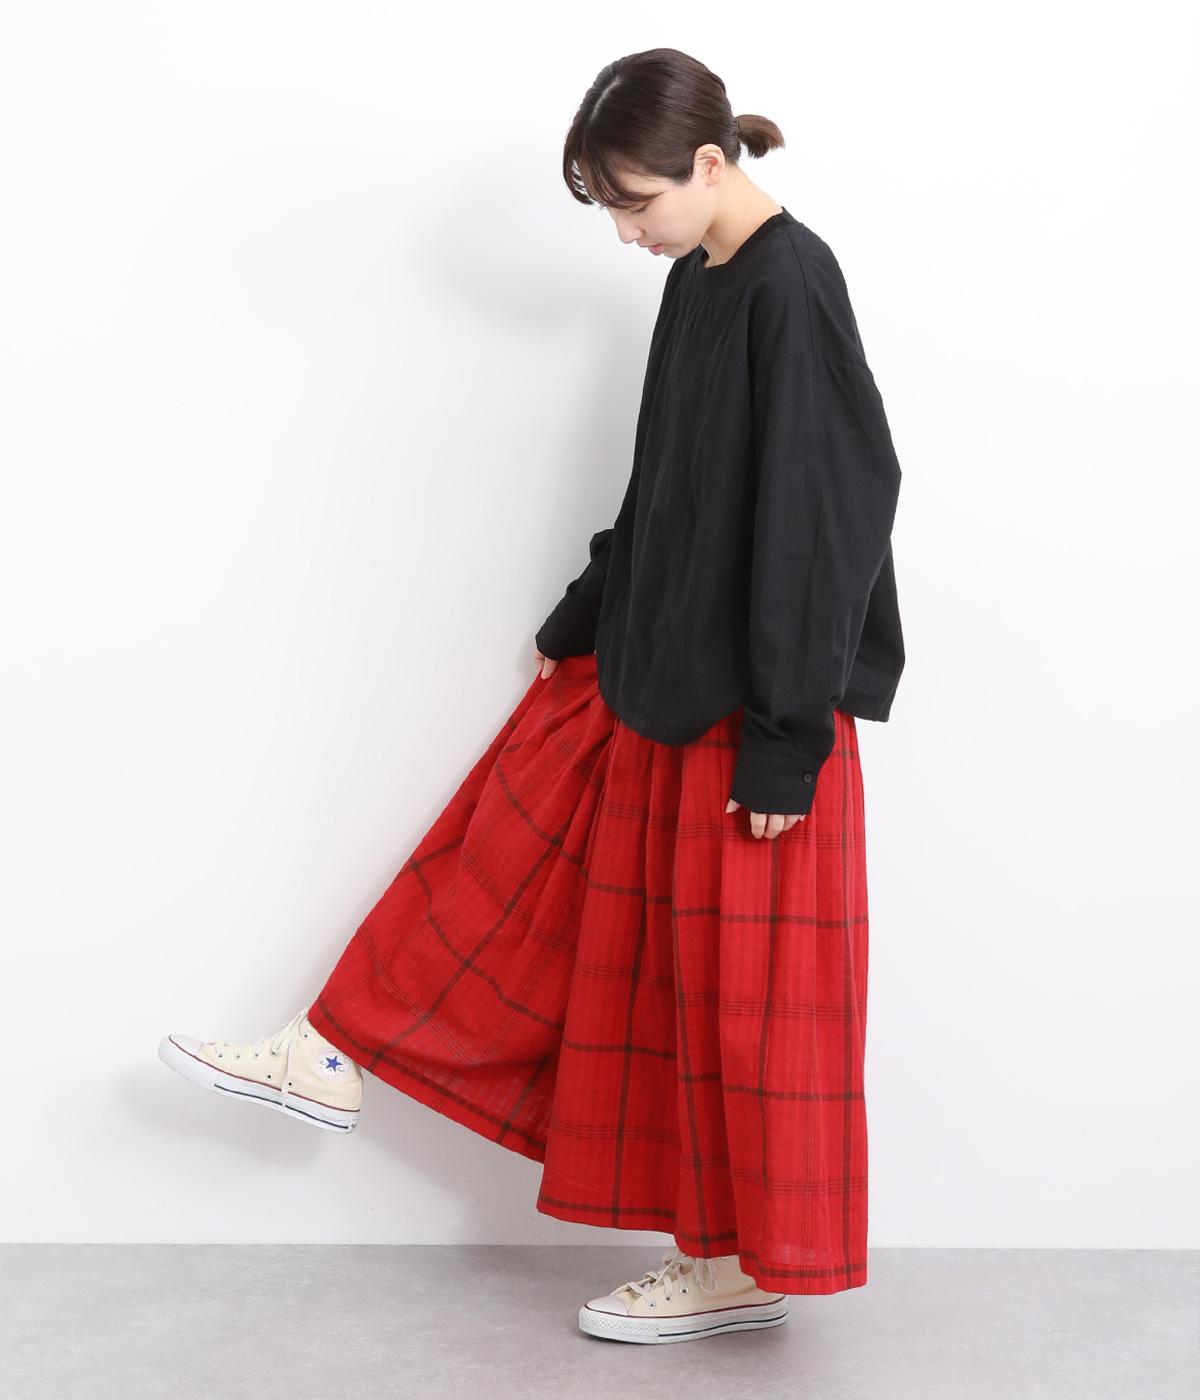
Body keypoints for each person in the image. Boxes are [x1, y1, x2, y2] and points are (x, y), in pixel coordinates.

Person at [157, 46, 906, 1347]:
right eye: (610, 209)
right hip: (665, 670)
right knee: (521, 851)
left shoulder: (793, 284)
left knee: (739, 1001)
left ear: (711, 163)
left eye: (635, 203)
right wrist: (585, 615)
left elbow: (827, 517)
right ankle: (334, 1048)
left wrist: (786, 744)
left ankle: (737, 1265)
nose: (625, 234)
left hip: (754, 710)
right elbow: (663, 478)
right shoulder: (701, 276)